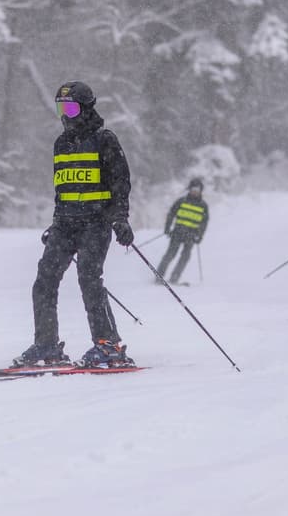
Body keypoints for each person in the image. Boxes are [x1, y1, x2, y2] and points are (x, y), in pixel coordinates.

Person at [13, 81, 135, 368]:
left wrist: (120, 218)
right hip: (65, 225)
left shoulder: (104, 140)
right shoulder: (61, 144)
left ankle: (108, 345)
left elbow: (121, 182)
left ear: (86, 108)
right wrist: (55, 223)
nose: (65, 115)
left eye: (70, 107)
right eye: (60, 108)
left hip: (96, 223)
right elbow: (62, 188)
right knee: (44, 280)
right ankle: (46, 344)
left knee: (89, 278)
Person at [155, 178, 210, 284]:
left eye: (197, 190)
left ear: (200, 191)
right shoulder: (181, 201)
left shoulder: (203, 206)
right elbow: (171, 214)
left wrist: (200, 236)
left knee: (185, 257)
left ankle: (174, 278)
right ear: (189, 189)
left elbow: (204, 223)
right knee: (170, 254)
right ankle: (159, 276)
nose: (195, 191)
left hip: (191, 235)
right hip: (178, 232)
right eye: (193, 189)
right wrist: (167, 228)